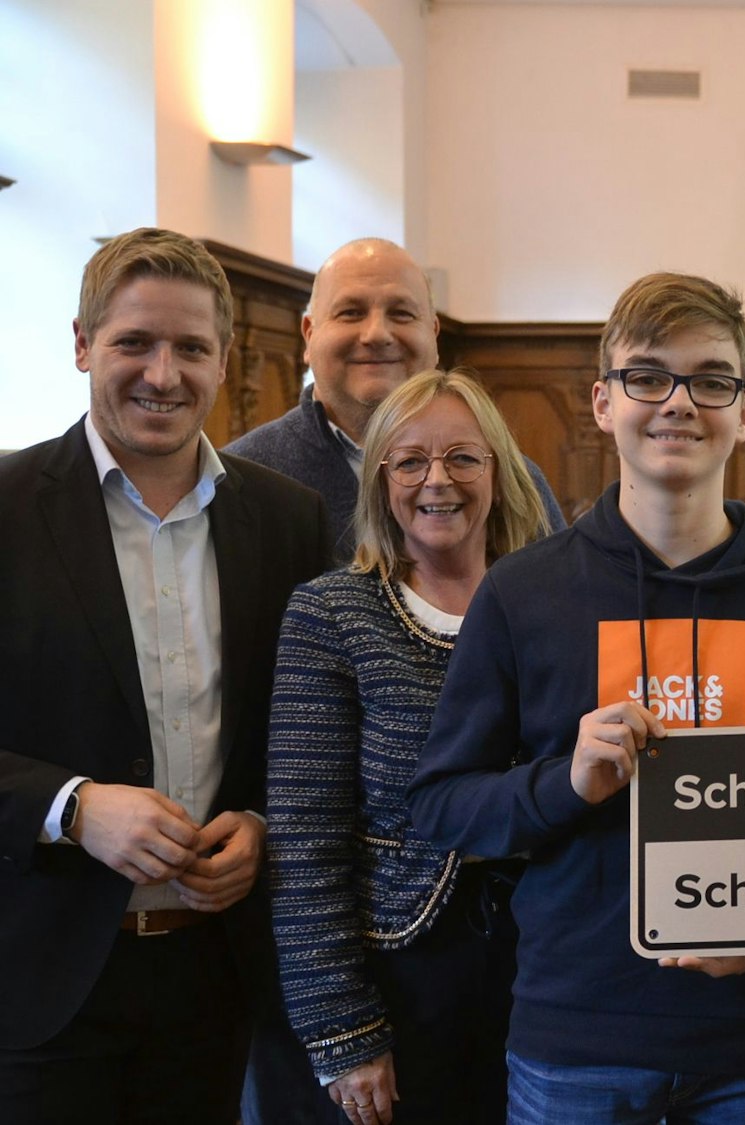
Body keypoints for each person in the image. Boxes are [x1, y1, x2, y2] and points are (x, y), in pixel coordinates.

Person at [408, 272, 745, 1123]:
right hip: (576, 1038)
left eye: (710, 380)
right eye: (648, 376)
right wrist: (565, 782)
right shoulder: (522, 592)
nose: (679, 402)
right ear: (603, 402)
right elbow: (443, 804)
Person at [0, 228, 329, 1123]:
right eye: (134, 342)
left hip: (212, 975)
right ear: (82, 345)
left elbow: (306, 727)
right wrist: (72, 806)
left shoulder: (288, 521)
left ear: (225, 358)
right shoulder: (7, 509)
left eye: (190, 347)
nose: (163, 373)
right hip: (39, 979)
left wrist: (262, 822)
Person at [265, 370, 550, 1125]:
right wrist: (342, 1030)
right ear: (380, 481)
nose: (437, 480)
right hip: (402, 974)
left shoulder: (551, 604)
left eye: (463, 457)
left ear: (499, 472)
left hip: (553, 963)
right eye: (410, 460)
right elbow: (305, 842)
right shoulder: (333, 613)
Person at [226, 237, 565, 559]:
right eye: (351, 312)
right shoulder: (240, 480)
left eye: (401, 313)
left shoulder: (508, 479)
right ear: (309, 335)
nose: (377, 334)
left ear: (433, 335)